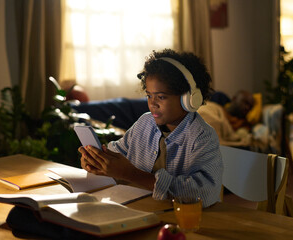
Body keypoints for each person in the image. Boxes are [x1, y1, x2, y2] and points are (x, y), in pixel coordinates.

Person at [78, 49, 223, 208]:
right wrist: (98, 161)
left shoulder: (202, 137)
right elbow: (117, 152)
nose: (152, 104)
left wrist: (132, 174)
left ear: (189, 99)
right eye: (149, 95)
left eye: (161, 97)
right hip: (140, 210)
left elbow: (203, 193)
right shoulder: (145, 123)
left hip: (182, 218)